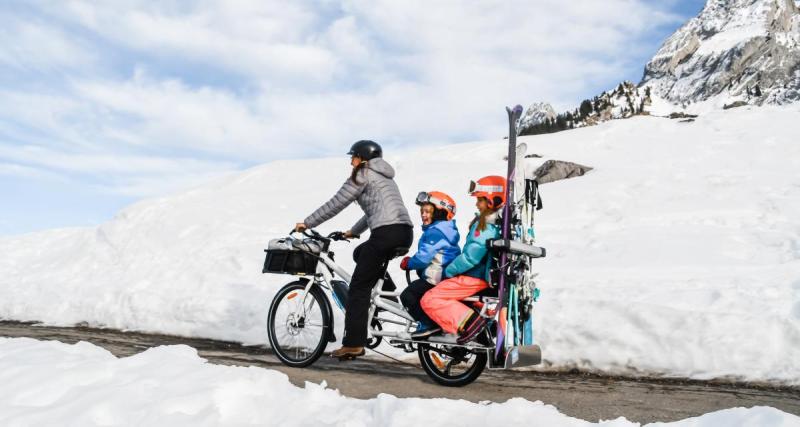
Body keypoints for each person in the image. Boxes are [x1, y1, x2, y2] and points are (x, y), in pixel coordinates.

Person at [295, 140, 413, 360]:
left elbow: (336, 203)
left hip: (386, 233)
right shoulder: (385, 177)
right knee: (360, 253)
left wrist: (308, 223)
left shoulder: (362, 174)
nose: (351, 162)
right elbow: (375, 211)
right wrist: (353, 232)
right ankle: (387, 302)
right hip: (403, 232)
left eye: (353, 157)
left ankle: (353, 344)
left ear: (362, 158)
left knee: (358, 289)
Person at [420, 175, 505, 345]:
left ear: (490, 201)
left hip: (474, 276)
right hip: (479, 276)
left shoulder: (486, 226)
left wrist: (449, 271)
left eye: (479, 200)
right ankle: (487, 325)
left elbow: (470, 257)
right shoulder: (493, 223)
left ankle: (471, 324)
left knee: (430, 299)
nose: (476, 204)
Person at [398, 191, 461, 338]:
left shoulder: (436, 232)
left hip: (436, 277)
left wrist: (409, 263)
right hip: (442, 275)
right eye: (422, 211)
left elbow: (423, 258)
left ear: (439, 212)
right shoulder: (445, 229)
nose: (423, 215)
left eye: (428, 211)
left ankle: (428, 324)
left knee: (408, 295)